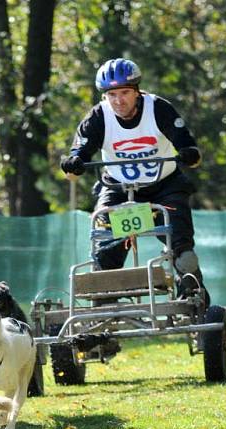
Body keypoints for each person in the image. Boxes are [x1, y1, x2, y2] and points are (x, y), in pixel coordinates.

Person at [60, 58, 208, 304]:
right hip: (118, 189)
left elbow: (189, 149)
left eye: (125, 93)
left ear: (137, 91)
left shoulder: (158, 109)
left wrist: (188, 152)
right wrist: (74, 161)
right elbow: (77, 158)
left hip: (165, 187)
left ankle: (194, 296)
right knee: (105, 252)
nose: (119, 101)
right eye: (112, 94)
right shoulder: (98, 116)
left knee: (184, 253)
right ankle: (104, 310)